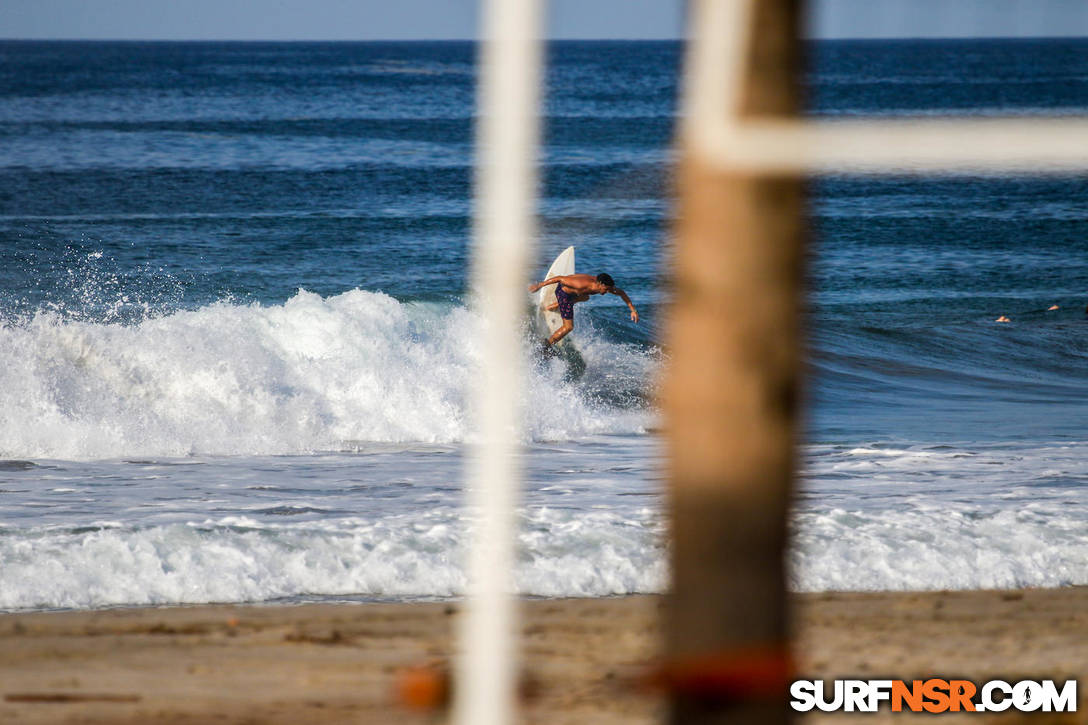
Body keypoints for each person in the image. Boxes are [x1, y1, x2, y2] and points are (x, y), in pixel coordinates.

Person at [528, 272, 638, 348]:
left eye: (609, 289)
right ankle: (547, 346)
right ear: (600, 284)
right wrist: (539, 285)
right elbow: (559, 278)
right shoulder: (582, 285)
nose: (607, 292)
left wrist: (633, 310)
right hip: (564, 294)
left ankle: (555, 306)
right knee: (568, 327)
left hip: (575, 293)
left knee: (585, 297)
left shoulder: (601, 286)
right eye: (606, 289)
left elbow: (621, 293)